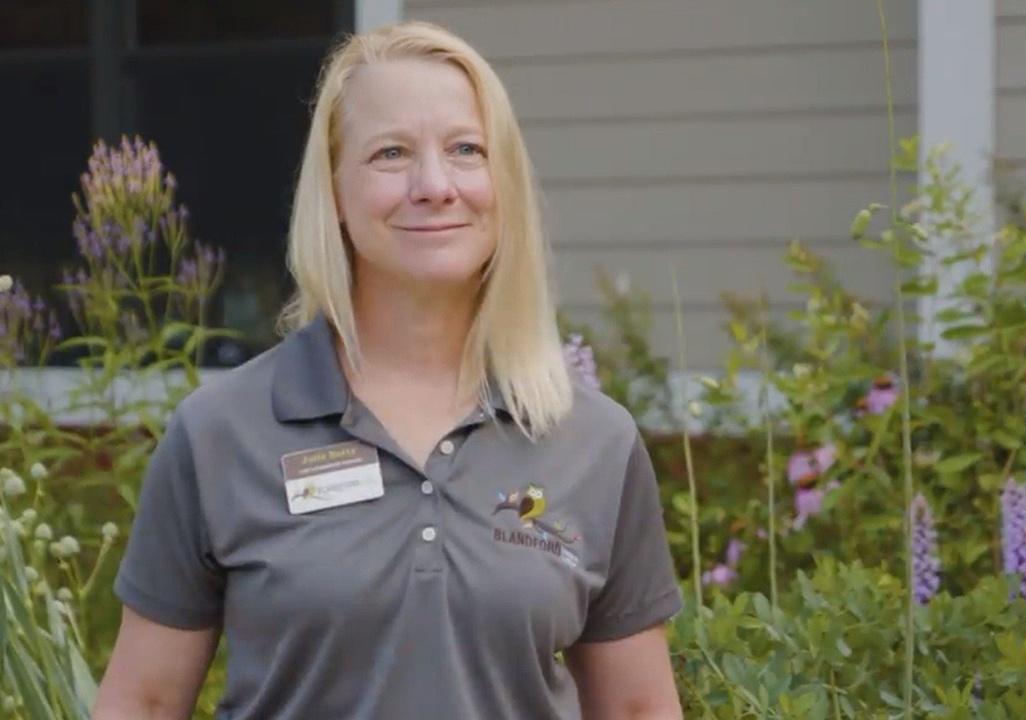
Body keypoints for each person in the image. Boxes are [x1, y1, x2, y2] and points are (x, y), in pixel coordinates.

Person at [92, 21, 684, 719]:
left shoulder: (594, 443)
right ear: (335, 195)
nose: (434, 185)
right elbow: (146, 702)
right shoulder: (221, 433)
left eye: (466, 150)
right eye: (391, 153)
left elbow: (636, 708)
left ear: (505, 184)